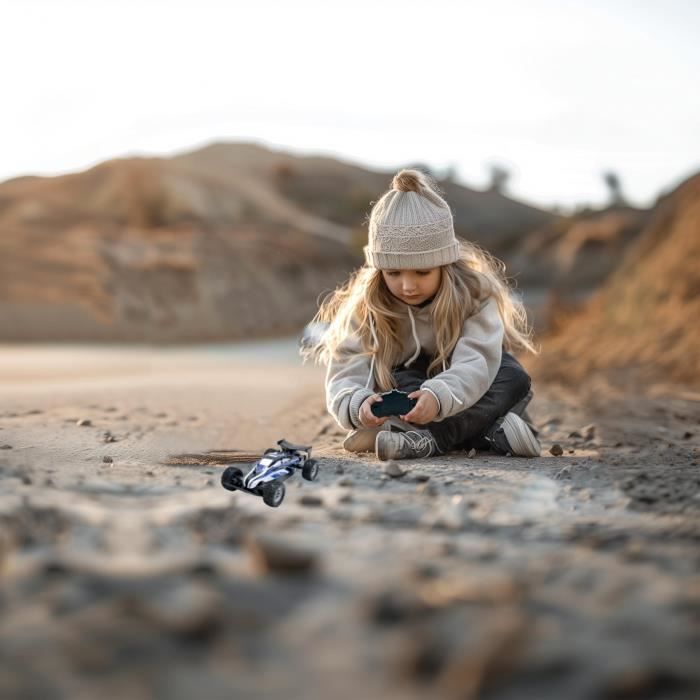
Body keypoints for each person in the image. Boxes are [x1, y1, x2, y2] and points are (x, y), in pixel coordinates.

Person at [302, 169, 541, 461]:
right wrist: (357, 402)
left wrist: (439, 396)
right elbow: (345, 370)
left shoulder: (475, 293)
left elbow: (477, 361)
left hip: (465, 391)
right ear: (379, 270)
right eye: (393, 273)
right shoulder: (368, 305)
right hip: (409, 393)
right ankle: (492, 433)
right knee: (402, 377)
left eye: (422, 272)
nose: (407, 285)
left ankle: (425, 439)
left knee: (514, 376)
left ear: (445, 264)